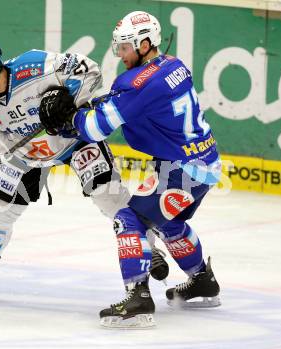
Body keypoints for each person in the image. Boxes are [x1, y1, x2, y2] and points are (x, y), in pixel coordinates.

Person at [39, 11, 222, 329]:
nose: (119, 54)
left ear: (145, 43)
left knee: (129, 218)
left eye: (124, 47)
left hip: (183, 170)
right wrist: (93, 107)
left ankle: (138, 298)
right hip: (203, 163)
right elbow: (130, 101)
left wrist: (70, 118)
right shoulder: (173, 64)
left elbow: (97, 128)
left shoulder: (137, 83)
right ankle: (202, 281)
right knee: (169, 221)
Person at [0, 39, 168, 300]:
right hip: (27, 154)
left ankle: (146, 248)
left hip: (74, 140)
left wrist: (66, 95)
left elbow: (91, 70)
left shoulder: (34, 65)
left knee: (111, 198)